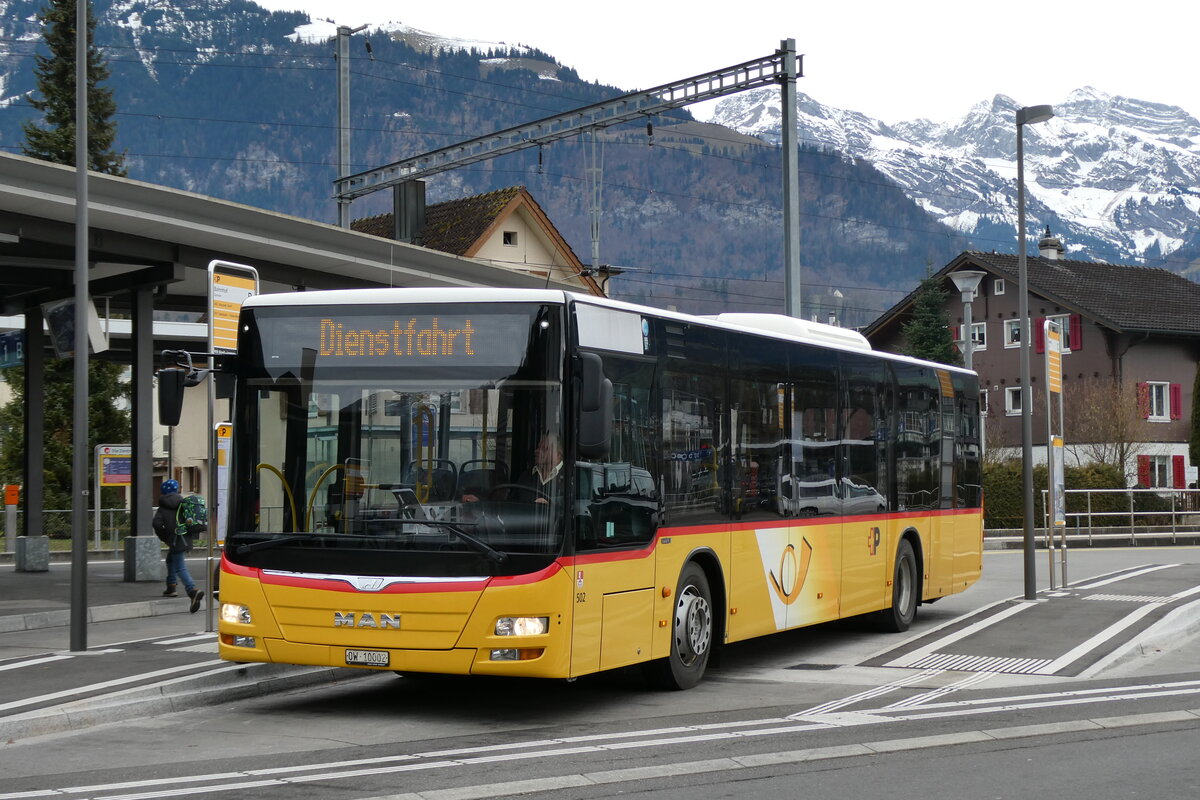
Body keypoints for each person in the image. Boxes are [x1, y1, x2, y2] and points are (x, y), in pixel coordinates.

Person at [152, 479, 204, 613]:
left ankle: (192, 590)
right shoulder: (183, 503)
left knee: (180, 567)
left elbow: (157, 524)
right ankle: (171, 586)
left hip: (174, 540)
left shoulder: (163, 507)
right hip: (185, 538)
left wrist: (164, 536)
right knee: (171, 560)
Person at [517, 432, 564, 505]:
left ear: (558, 454)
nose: (536, 451)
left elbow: (577, 504)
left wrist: (552, 503)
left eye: (545, 449)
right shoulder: (525, 476)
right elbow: (514, 504)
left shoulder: (572, 478)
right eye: (538, 447)